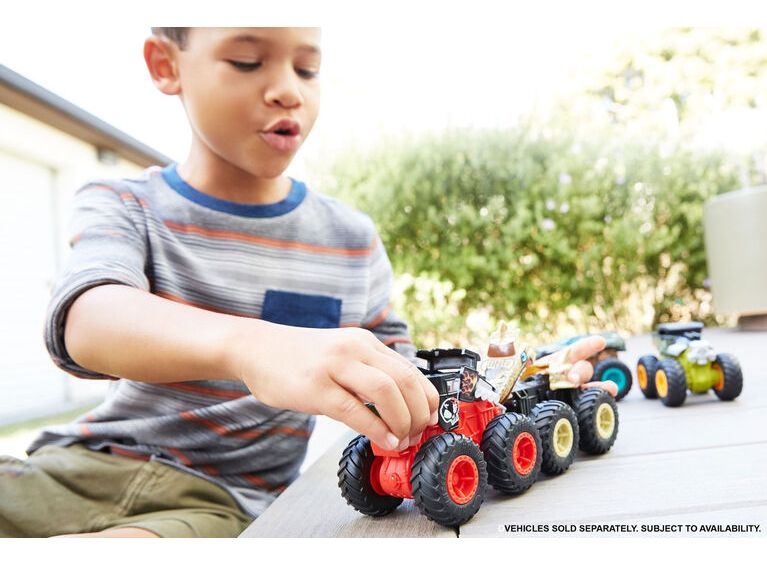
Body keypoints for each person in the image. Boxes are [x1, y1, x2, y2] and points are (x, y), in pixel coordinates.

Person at [0, 27, 614, 538]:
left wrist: (524, 374)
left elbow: (405, 374)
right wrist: (254, 346)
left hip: (216, 502)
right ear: (167, 64)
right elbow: (87, 320)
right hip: (74, 468)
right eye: (247, 61)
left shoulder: (349, 238)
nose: (287, 90)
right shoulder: (123, 202)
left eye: (308, 68)